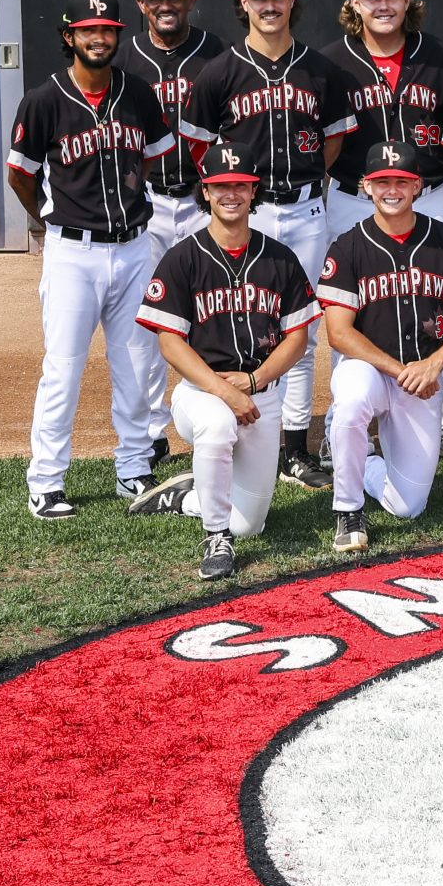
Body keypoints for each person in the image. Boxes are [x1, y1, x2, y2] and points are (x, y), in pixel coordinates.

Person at [179, 0, 356, 493]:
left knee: (298, 329)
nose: (270, 4)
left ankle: (294, 447)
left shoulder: (321, 69)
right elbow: (199, 147)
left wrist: (300, 185)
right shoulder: (219, 72)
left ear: (292, 1)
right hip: (244, 214)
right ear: (244, 5)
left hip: (304, 210)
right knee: (237, 322)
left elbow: (333, 140)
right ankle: (225, 426)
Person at [9, 0, 177, 520]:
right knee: (63, 368)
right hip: (72, 254)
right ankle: (47, 481)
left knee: (133, 363)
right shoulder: (44, 99)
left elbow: (152, 158)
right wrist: (49, 216)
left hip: (132, 248)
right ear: (69, 37)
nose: (98, 38)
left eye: (106, 29)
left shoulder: (137, 93)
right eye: (88, 30)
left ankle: (133, 469)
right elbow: (20, 173)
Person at [126, 141, 320, 579]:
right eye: (220, 186)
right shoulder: (183, 258)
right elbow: (170, 343)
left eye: (240, 185)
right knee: (217, 426)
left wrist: (251, 384)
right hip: (200, 393)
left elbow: (297, 338)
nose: (230, 194)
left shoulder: (280, 259)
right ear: (206, 194)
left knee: (251, 524)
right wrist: (225, 391)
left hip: (261, 395)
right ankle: (216, 537)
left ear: (254, 192)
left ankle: (188, 495)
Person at [315, 140, 443, 552]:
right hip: (371, 369)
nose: (390, 189)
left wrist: (435, 363)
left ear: (417, 185)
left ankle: (361, 464)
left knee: (409, 505)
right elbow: (339, 334)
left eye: (401, 181)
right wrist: (402, 371)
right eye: (381, 182)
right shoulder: (348, 246)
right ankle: (348, 511)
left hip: (423, 376)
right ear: (365, 187)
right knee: (352, 399)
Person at [121, 0, 223, 459]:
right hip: (150, 205)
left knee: (211, 315)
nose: (166, 4)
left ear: (191, 0)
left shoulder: (218, 55)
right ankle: (151, 431)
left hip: (207, 205)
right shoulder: (125, 61)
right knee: (149, 322)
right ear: (142, 4)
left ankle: (215, 414)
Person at [324, 0, 443, 233]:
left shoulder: (440, 57)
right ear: (355, 3)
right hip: (355, 200)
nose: (384, 6)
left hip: (429, 198)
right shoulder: (331, 63)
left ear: (407, 0)